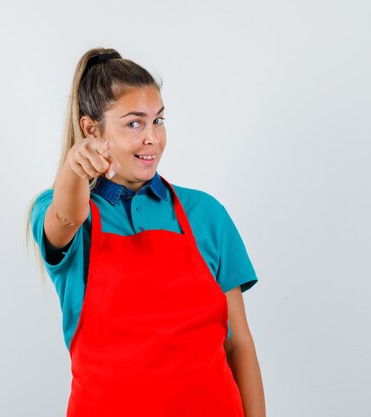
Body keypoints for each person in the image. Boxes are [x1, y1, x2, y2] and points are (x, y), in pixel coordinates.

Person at [26, 47, 266, 417]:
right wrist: (74, 168)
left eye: (159, 120)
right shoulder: (72, 214)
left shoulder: (205, 214)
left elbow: (239, 344)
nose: (152, 137)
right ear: (91, 130)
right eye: (134, 123)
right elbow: (66, 216)